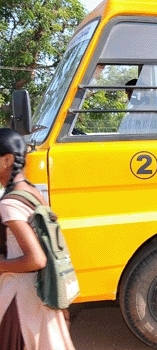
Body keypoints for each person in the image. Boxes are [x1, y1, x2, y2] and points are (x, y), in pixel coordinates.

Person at [0, 128, 75, 349]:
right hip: (42, 290)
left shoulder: (9, 204)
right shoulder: (32, 192)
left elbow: (36, 259)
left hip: (20, 297)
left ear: (7, 160)